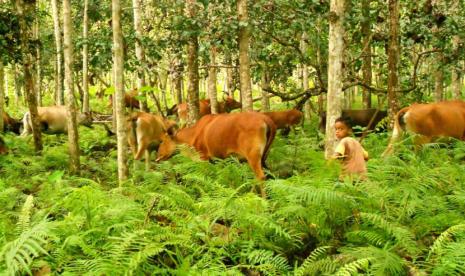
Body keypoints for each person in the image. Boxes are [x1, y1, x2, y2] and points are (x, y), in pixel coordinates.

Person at [332, 117, 369, 181]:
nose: (337, 131)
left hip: (348, 176)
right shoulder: (357, 142)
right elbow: (366, 156)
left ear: (349, 131)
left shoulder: (344, 141)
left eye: (341, 129)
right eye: (336, 129)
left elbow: (336, 154)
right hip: (362, 176)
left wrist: (329, 161)